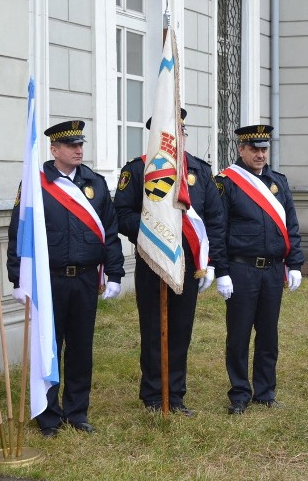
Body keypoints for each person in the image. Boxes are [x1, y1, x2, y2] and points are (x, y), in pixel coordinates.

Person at [6, 120, 125, 437]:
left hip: (85, 280)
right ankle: (47, 416)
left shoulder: (95, 184)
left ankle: (77, 412)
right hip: (49, 281)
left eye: (80, 144)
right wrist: (18, 279)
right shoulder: (35, 183)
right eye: (71, 145)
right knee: (49, 347)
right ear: (54, 149)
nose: (78, 150)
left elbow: (109, 234)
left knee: (81, 348)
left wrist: (115, 273)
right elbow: (20, 233)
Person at [114, 109, 226, 417]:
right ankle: (153, 394)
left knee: (181, 329)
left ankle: (175, 395)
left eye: (180, 133)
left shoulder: (200, 172)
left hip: (188, 263)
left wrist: (212, 262)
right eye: (168, 134)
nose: (175, 139)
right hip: (152, 259)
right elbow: (121, 215)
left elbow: (215, 219)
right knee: (153, 328)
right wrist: (155, 227)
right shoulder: (138, 170)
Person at [214, 124, 305, 415]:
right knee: (239, 334)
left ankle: (265, 391)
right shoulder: (227, 182)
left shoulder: (278, 182)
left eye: (264, 149)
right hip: (242, 269)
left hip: (272, 270)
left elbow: (291, 225)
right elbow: (218, 229)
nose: (260, 154)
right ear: (241, 149)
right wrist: (221, 270)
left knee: (268, 333)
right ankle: (239, 392)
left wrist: (295, 263)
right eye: (254, 149)